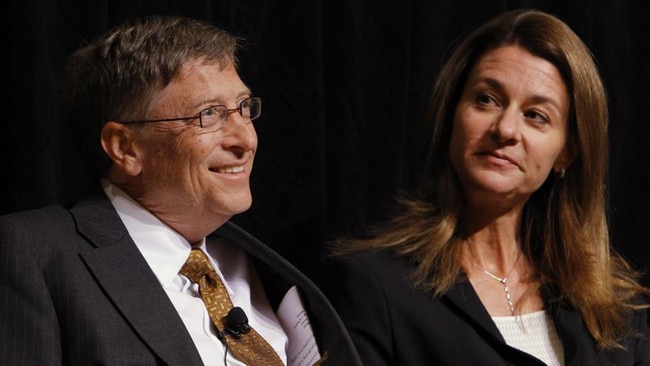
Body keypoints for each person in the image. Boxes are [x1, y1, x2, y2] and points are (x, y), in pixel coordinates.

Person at [0, 15, 361, 366]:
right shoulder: (31, 254)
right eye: (209, 115)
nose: (246, 139)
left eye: (243, 109)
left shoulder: (260, 264)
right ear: (125, 147)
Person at [323, 9, 650, 366]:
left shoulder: (616, 307)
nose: (506, 129)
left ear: (567, 152)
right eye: (486, 99)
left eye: (536, 115)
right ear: (451, 115)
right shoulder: (376, 287)